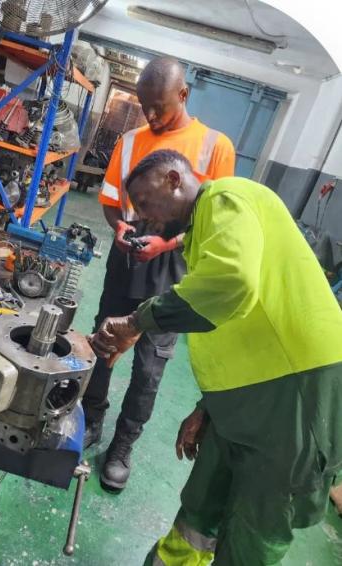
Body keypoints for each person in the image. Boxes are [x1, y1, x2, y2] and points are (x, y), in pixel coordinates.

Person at [89, 149, 342, 566]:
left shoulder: (227, 197)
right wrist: (208, 406)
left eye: (146, 203)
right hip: (245, 395)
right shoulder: (203, 235)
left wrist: (137, 321)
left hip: (297, 392)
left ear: (174, 179)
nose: (145, 217)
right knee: (200, 510)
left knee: (255, 530)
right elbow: (233, 322)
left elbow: (232, 284)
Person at [82, 55, 235, 491]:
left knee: (150, 367)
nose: (150, 115)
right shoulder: (130, 140)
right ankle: (91, 418)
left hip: (174, 267)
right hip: (128, 256)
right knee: (105, 341)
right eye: (144, 105)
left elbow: (210, 218)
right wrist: (119, 227)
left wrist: (167, 244)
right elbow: (111, 199)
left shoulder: (215, 146)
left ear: (183, 94)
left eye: (159, 107)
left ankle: (122, 446)